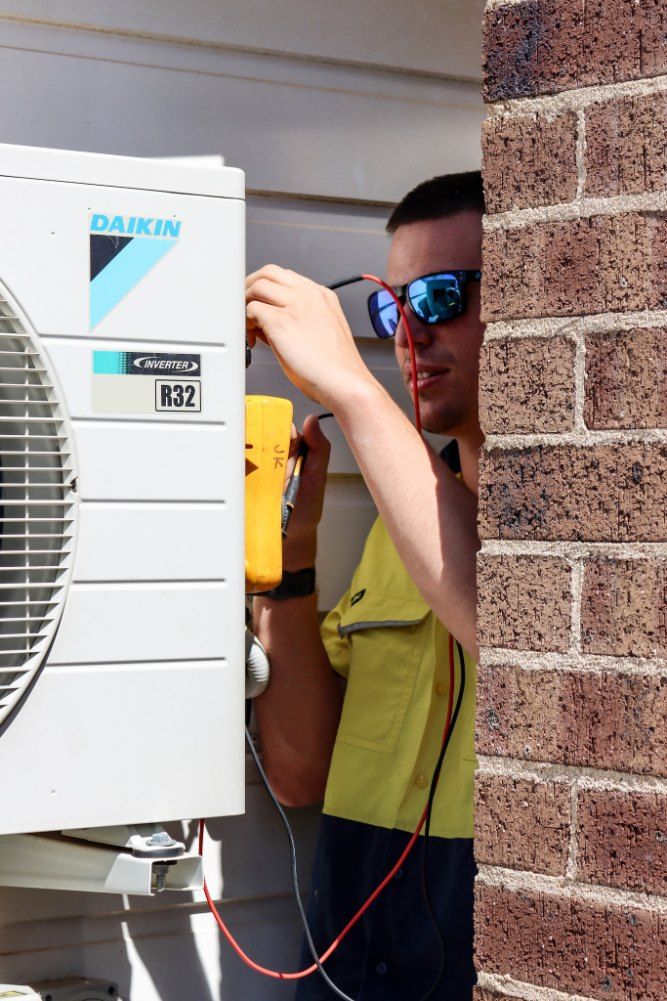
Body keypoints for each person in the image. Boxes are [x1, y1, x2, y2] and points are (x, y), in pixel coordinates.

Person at [247, 172, 484, 1000]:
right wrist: (293, 564)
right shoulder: (399, 528)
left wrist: (350, 385)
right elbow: (298, 775)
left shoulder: (582, 546)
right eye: (391, 310)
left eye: (442, 295)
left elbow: (507, 631)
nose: (407, 334)